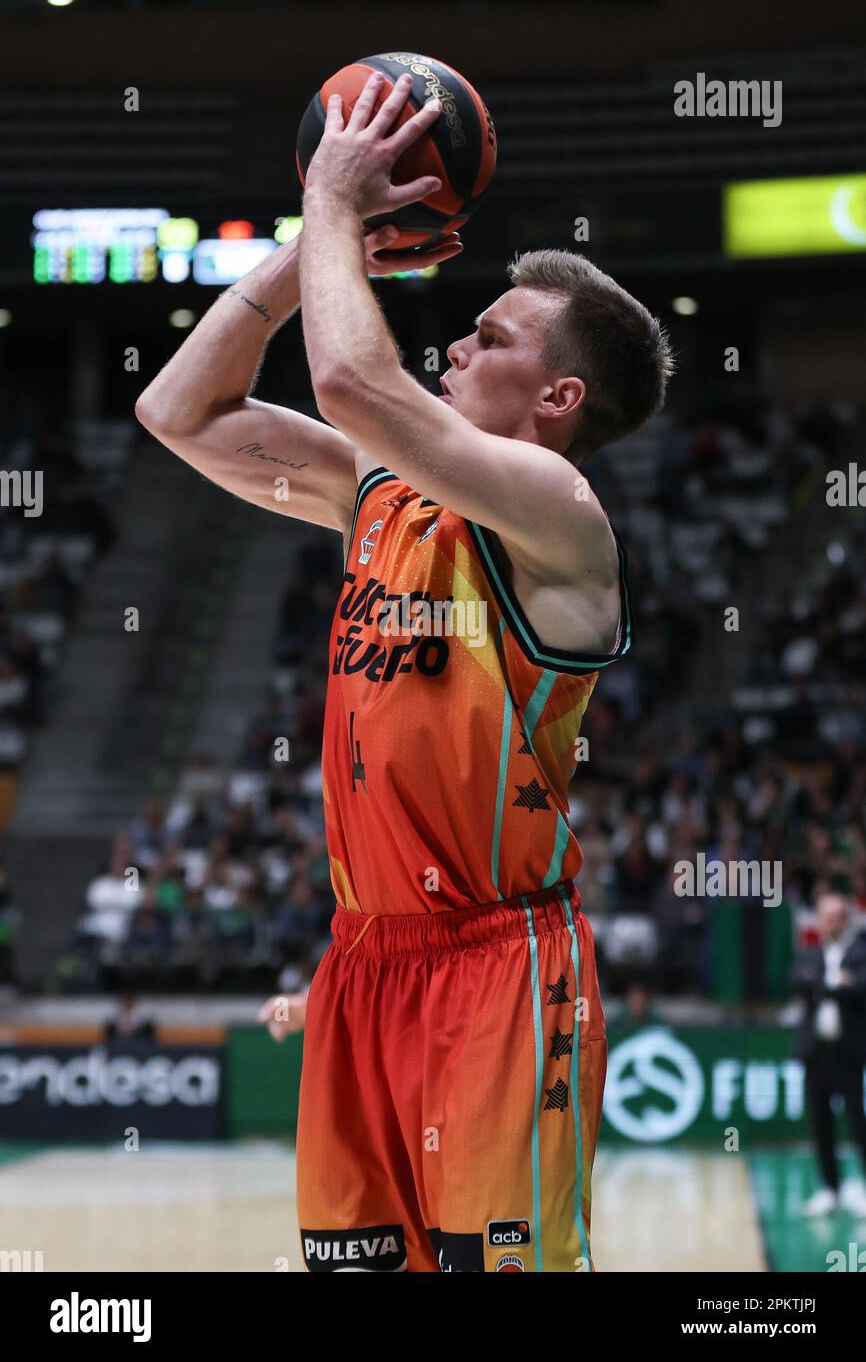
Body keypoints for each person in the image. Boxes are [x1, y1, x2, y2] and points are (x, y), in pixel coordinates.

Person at [136, 71, 673, 1272]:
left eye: (493, 336)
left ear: (557, 398)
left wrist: (333, 204)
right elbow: (177, 407)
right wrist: (301, 260)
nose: (459, 334)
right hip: (364, 960)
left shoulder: (556, 511)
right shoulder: (379, 493)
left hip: (499, 968)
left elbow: (346, 383)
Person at [791, 891, 866, 1217]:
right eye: (827, 915)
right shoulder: (808, 954)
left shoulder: (861, 952)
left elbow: (861, 988)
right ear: (819, 920)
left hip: (848, 1053)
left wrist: (824, 986)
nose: (832, 921)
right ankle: (829, 1188)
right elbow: (797, 983)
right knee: (820, 1123)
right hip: (816, 1052)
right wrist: (837, 983)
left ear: (846, 919)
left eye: (838, 915)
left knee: (857, 1121)